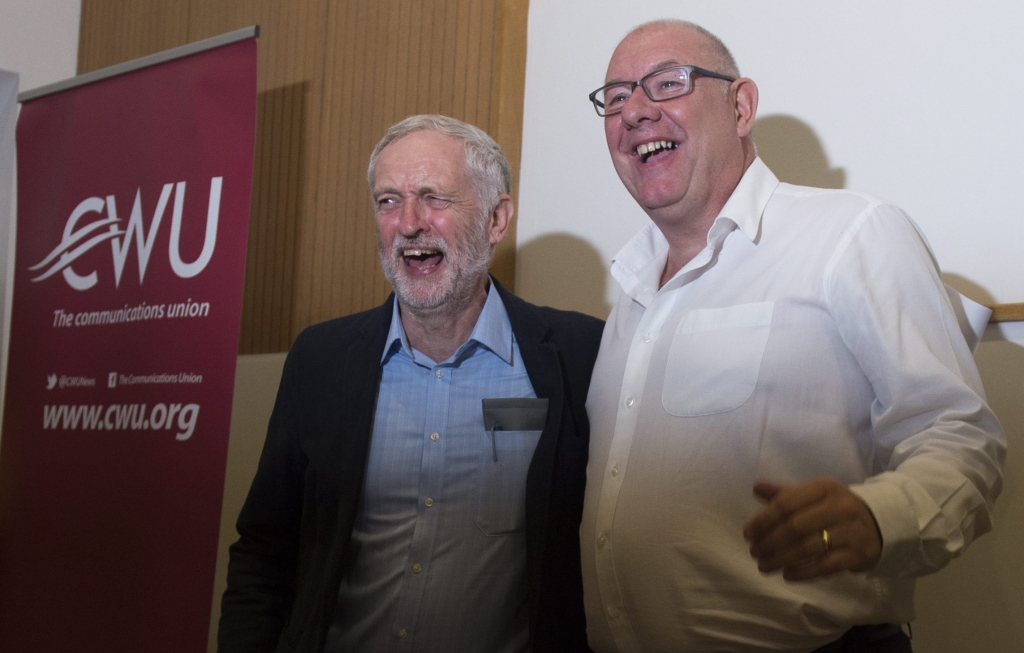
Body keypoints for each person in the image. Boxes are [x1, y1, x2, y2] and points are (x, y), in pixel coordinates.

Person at [580, 19, 1005, 653]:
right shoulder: (630, 289)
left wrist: (879, 518)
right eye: (615, 97)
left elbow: (960, 437)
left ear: (741, 105)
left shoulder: (854, 234)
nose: (635, 111)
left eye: (666, 84)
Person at [219, 114, 602, 652]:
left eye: (434, 198)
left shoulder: (579, 357)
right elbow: (264, 550)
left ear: (496, 218)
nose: (408, 223)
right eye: (388, 201)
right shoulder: (321, 360)